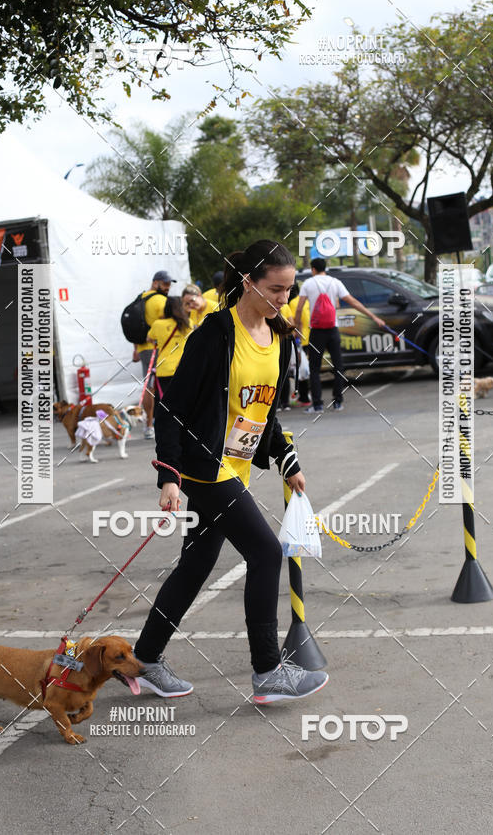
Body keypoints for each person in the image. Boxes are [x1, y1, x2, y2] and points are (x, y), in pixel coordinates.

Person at [134, 239, 329, 704]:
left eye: (289, 290)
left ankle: (144, 660)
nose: (284, 299)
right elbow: (171, 408)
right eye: (276, 289)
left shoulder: (279, 338)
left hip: (236, 468)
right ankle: (267, 672)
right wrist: (169, 474)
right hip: (206, 470)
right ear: (249, 283)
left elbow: (266, 411)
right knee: (265, 553)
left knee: (195, 565)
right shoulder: (215, 334)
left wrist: (287, 458)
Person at [295, 258, 385, 413]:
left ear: (313, 269)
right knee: (338, 366)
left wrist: (297, 327)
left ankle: (317, 405)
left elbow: (299, 308)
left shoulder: (308, 284)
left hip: (316, 331)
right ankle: (338, 402)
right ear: (325, 268)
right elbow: (354, 302)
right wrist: (374, 317)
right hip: (332, 329)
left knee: (315, 368)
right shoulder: (335, 282)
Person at [132, 271, 175, 439]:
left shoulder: (141, 297)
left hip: (143, 348)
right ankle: (156, 424)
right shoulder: (161, 301)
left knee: (148, 385)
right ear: (156, 282)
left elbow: (137, 324)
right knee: (160, 385)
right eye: (165, 284)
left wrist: (135, 349)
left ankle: (149, 426)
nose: (168, 288)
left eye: (169, 284)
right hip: (158, 347)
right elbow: (169, 323)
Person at [148, 297, 193, 401]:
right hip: (183, 368)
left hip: (164, 368)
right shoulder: (188, 323)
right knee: (182, 400)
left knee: (165, 401)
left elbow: (149, 338)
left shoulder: (158, 324)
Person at [279, 283, 311, 408]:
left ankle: (300, 397)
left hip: (296, 340)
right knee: (303, 369)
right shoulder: (306, 302)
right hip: (307, 338)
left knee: (291, 370)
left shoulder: (290, 304)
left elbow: (293, 324)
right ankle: (305, 397)